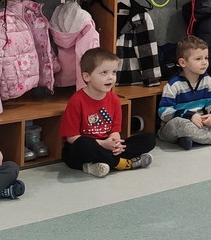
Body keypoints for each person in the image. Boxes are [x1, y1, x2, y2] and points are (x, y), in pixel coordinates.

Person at [61, 48, 155, 176]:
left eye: (114, 72)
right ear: (87, 76)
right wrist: (103, 144)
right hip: (83, 149)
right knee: (83, 144)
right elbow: (72, 138)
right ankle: (121, 163)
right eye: (104, 73)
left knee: (149, 139)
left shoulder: (114, 99)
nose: (110, 77)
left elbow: (115, 131)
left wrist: (115, 144)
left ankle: (98, 164)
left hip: (106, 144)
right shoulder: (76, 101)